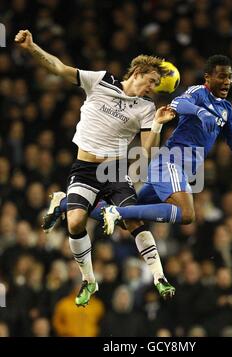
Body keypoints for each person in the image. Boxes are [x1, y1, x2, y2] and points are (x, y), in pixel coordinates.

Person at [15, 29, 176, 306]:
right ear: (137, 72)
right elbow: (59, 68)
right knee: (76, 223)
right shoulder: (100, 80)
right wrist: (32, 48)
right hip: (85, 168)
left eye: (157, 85)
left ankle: (159, 277)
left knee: (132, 219)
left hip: (114, 172)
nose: (153, 88)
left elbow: (147, 150)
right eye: (151, 81)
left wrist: (158, 124)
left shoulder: (146, 108)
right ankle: (89, 280)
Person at [89, 55, 232, 230]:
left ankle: (68, 204)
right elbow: (178, 103)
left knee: (127, 218)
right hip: (170, 164)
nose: (227, 81)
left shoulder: (227, 110)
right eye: (221, 76)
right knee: (186, 213)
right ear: (208, 78)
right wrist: (200, 111)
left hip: (179, 171)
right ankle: (117, 211)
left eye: (230, 76)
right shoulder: (198, 93)